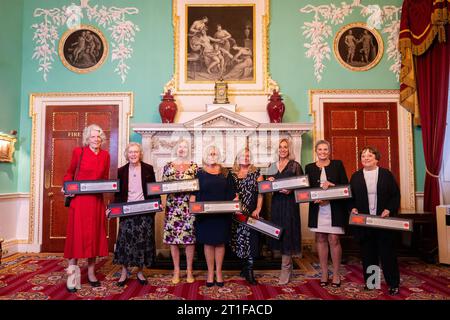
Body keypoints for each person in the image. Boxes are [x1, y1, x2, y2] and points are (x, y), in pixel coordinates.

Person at [63, 124, 110, 292]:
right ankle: (72, 274)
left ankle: (91, 272)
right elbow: (69, 172)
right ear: (87, 138)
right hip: (80, 201)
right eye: (92, 136)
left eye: (98, 136)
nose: (96, 139)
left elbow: (105, 178)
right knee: (77, 235)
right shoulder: (79, 152)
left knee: (94, 236)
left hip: (96, 201)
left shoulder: (106, 155)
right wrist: (67, 187)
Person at [349, 146, 401, 296]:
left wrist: (389, 210)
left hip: (383, 221)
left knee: (387, 254)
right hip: (365, 222)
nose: (366, 158)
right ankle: (372, 283)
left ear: (377, 158)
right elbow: (350, 197)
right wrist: (352, 208)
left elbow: (395, 196)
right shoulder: (356, 176)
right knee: (368, 253)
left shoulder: (386, 174)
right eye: (363, 156)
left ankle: (393, 284)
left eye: (369, 156)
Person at [111, 142, 160, 287]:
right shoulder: (121, 171)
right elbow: (118, 194)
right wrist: (113, 209)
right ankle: (124, 272)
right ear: (127, 154)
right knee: (125, 242)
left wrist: (157, 204)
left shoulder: (148, 169)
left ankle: (139, 271)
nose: (133, 154)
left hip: (145, 211)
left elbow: (154, 189)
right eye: (131, 152)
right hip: (127, 211)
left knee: (142, 242)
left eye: (136, 152)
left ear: (140, 154)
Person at [190, 145, 237, 287]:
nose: (212, 155)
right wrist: (192, 204)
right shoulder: (199, 173)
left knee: (220, 243)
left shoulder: (225, 173)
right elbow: (194, 193)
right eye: (210, 153)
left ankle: (219, 272)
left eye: (215, 153)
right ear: (205, 155)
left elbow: (232, 192)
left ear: (219, 155)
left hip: (222, 215)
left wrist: (235, 201)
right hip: (205, 216)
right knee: (208, 243)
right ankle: (210, 273)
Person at [305, 140, 348, 288]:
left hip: (335, 208)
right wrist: (315, 198)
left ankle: (336, 274)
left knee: (334, 239)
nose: (322, 152)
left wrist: (332, 186)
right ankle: (324, 273)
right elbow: (307, 189)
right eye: (320, 149)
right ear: (316, 151)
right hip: (318, 209)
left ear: (329, 151)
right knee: (321, 238)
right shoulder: (309, 167)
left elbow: (345, 187)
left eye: (325, 149)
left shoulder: (338, 165)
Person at [266, 138, 303, 285]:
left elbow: (302, 186)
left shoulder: (295, 166)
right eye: (280, 147)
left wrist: (291, 190)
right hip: (276, 204)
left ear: (289, 149)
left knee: (288, 234)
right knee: (279, 233)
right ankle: (288, 266)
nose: (282, 149)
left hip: (290, 204)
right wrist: (268, 182)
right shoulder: (272, 166)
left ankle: (285, 269)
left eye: (285, 147)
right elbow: (266, 187)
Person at [162, 139, 198, 284]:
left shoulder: (194, 166)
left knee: (189, 239)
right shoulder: (168, 166)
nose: (182, 149)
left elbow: (198, 186)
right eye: (180, 147)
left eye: (185, 147)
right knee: (173, 240)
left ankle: (189, 270)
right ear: (176, 149)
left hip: (188, 207)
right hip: (172, 207)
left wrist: (194, 198)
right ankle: (176, 270)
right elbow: (163, 186)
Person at [230, 148, 263, 285]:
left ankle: (249, 270)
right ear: (238, 158)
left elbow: (261, 193)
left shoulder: (257, 174)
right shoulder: (232, 174)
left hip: (251, 212)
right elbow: (230, 192)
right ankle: (244, 267)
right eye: (243, 155)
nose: (246, 157)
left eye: (248, 155)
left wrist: (258, 208)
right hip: (237, 212)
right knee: (238, 240)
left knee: (251, 240)